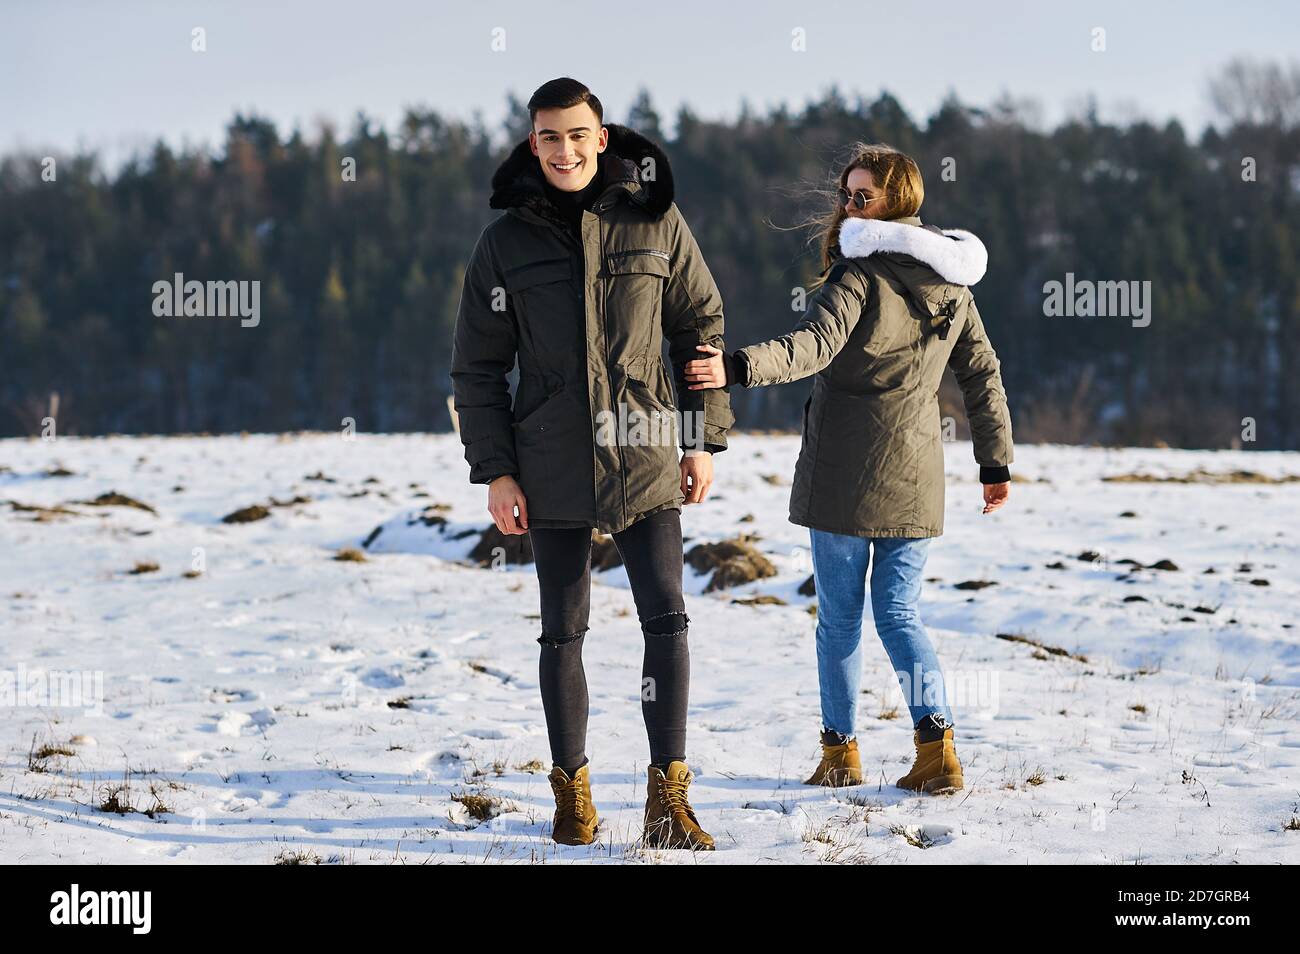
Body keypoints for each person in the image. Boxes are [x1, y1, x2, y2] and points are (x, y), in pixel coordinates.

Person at [451, 78, 733, 848]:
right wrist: (497, 472)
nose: (564, 150)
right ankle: (572, 794)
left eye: (577, 135)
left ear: (601, 138)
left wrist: (700, 437)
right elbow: (476, 370)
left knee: (668, 618)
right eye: (548, 137)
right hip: (550, 464)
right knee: (562, 631)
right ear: (531, 143)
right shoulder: (505, 243)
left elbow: (698, 328)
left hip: (644, 452)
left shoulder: (655, 222)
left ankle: (667, 802)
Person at [685, 143, 1013, 794]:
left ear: (899, 202)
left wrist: (738, 365)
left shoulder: (857, 275)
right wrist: (994, 459)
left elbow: (812, 347)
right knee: (899, 612)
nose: (847, 206)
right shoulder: (954, 281)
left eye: (862, 197)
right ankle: (938, 751)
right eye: (846, 194)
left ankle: (840, 756)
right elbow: (982, 372)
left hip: (843, 468)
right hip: (917, 467)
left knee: (841, 618)